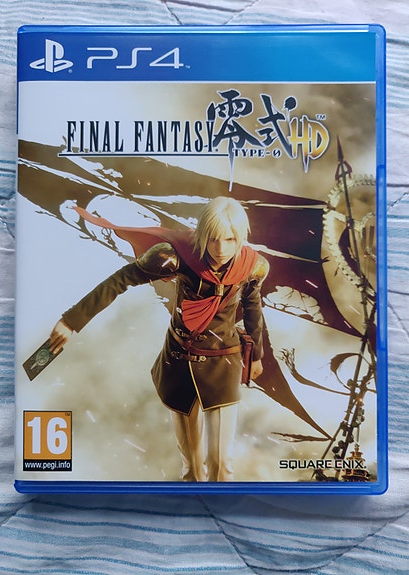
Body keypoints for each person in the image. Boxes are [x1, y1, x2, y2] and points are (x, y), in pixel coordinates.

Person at [49, 196, 269, 481]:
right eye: (213, 239)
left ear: (240, 236)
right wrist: (72, 320)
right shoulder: (176, 256)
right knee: (192, 467)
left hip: (222, 359)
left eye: (229, 239)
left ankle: (218, 506)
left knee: (221, 464)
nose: (220, 249)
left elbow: (252, 306)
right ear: (203, 235)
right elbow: (121, 280)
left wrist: (256, 355)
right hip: (179, 359)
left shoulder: (252, 266)